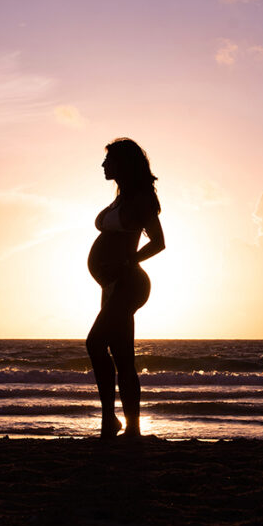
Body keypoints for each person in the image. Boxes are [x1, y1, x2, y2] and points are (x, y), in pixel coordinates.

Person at [86, 138, 165, 438]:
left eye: (109, 160)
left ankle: (111, 420)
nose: (104, 165)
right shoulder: (120, 199)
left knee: (94, 343)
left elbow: (158, 242)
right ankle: (130, 427)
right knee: (122, 357)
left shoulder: (141, 200)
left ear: (124, 164)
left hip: (130, 283)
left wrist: (128, 261)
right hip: (111, 286)